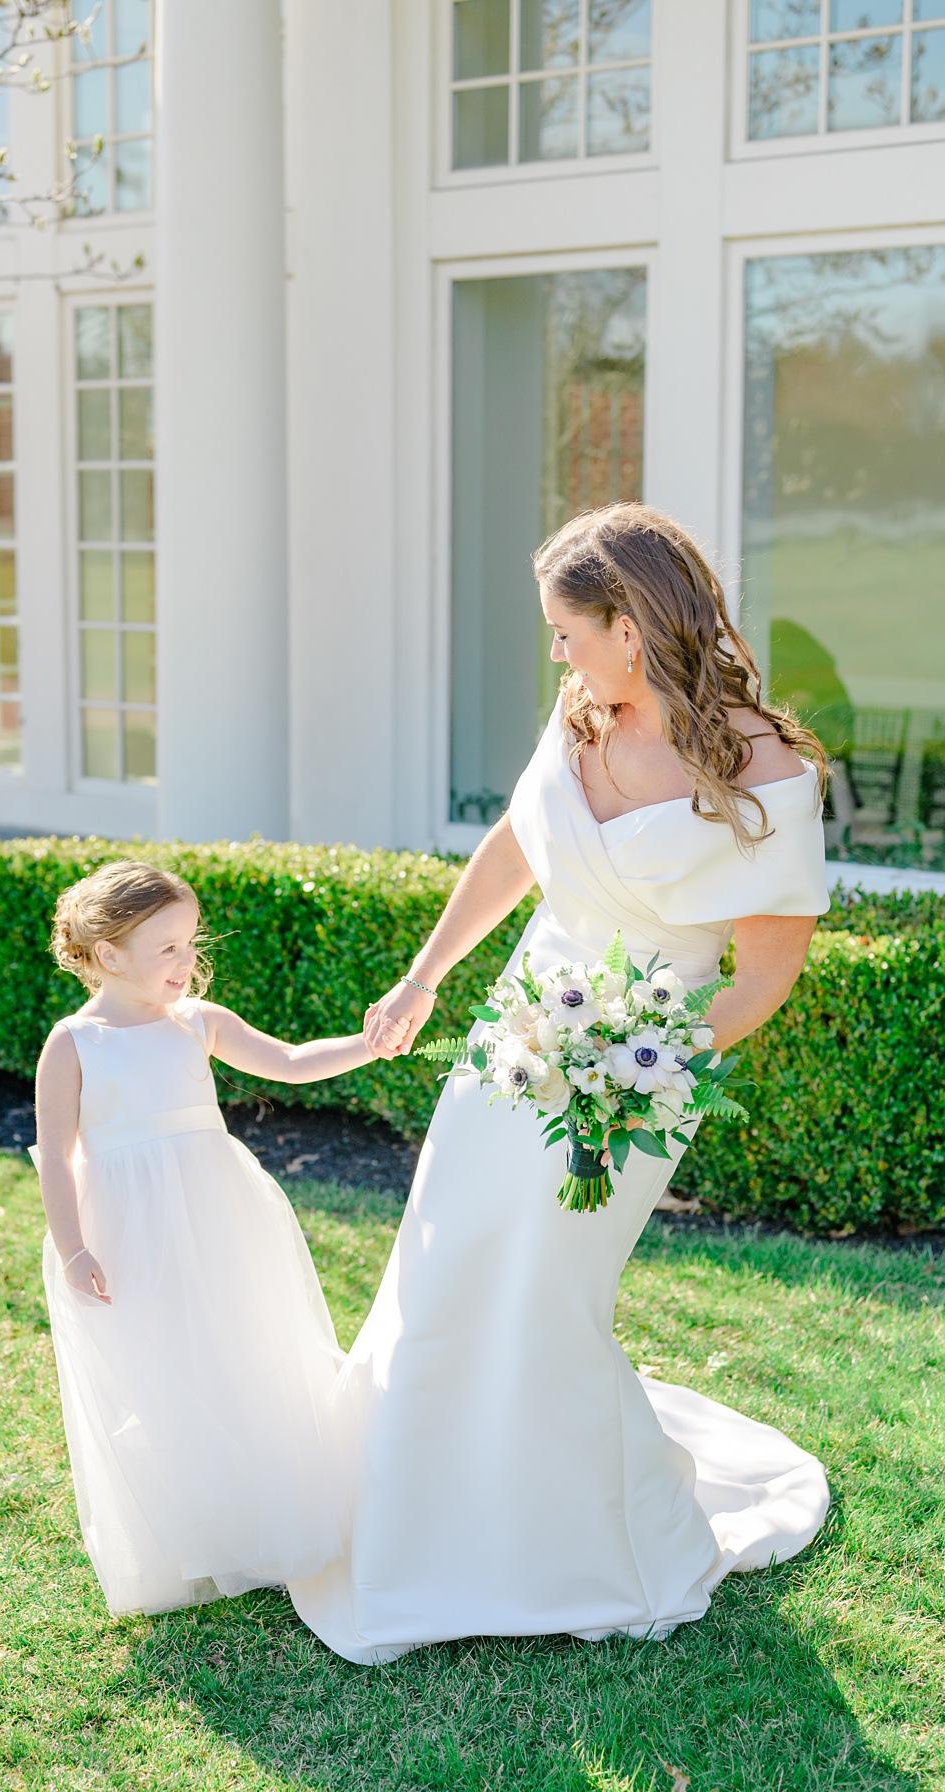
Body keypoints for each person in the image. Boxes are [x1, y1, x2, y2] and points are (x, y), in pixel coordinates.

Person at [291, 502, 834, 1664]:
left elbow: (761, 981)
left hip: (639, 1074)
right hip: (514, 1039)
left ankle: (570, 1546)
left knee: (540, 1289)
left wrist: (642, 1070)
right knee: (444, 1263)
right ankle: (412, 1519)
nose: (556, 654)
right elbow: (520, 843)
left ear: (630, 626)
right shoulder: (580, 711)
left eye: (566, 629)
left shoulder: (763, 770)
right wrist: (429, 972)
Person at [36, 860, 371, 1616]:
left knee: (245, 1346)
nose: (187, 962)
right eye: (167, 950)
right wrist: (74, 1248)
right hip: (127, 1227)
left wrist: (366, 1044)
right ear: (109, 955)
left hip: (218, 1211)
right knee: (160, 1367)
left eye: (189, 944)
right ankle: (191, 1524)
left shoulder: (198, 1023)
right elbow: (56, 1155)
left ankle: (271, 1512)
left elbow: (288, 1062)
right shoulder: (74, 1043)